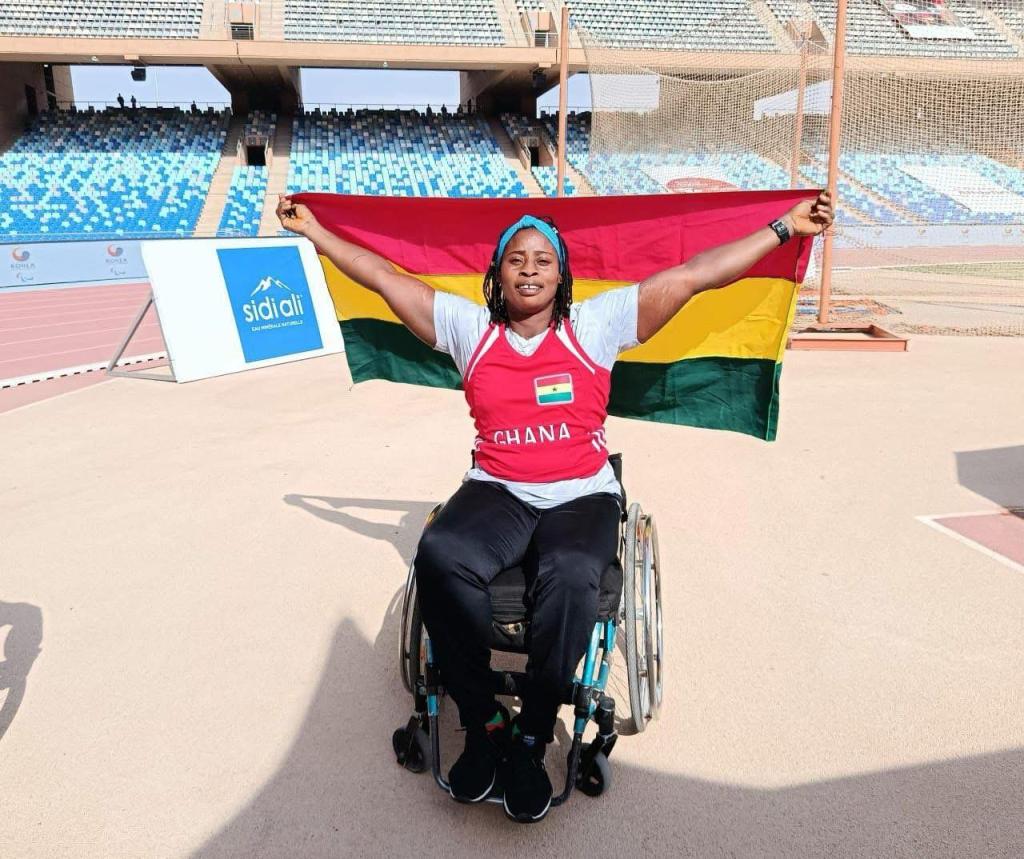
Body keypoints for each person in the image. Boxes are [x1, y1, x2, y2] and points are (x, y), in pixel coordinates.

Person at [276, 189, 833, 822]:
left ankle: (533, 735)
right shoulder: (468, 329)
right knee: (440, 553)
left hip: (581, 494)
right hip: (499, 487)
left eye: (543, 259)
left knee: (570, 574)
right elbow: (379, 275)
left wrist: (784, 228)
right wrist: (315, 232)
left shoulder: (595, 326)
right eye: (517, 259)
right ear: (497, 273)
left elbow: (693, 275)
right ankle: (485, 721)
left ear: (562, 275)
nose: (530, 269)